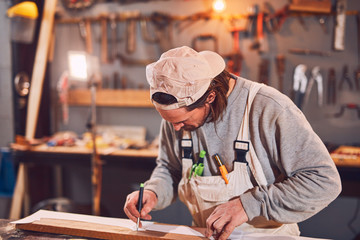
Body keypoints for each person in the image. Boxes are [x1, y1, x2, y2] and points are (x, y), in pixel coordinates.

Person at [123, 46, 341, 240]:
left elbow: (324, 182)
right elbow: (170, 169)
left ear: (210, 97)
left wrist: (249, 204)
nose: (176, 129)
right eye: (171, 122)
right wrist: (153, 193)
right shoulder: (176, 117)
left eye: (182, 121)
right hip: (203, 235)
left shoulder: (269, 108)